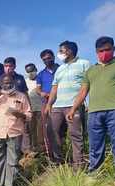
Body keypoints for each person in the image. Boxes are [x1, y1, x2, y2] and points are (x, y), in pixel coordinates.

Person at [66, 36, 115, 186]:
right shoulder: (91, 70)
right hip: (94, 113)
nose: (104, 53)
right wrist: (73, 109)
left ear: (113, 49)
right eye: (101, 51)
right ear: (96, 52)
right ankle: (94, 174)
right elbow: (83, 92)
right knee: (95, 145)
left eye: (107, 50)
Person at [45, 41, 90, 169]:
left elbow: (86, 86)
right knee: (53, 134)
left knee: (75, 135)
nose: (59, 53)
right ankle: (59, 162)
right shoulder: (60, 68)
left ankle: (78, 166)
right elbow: (54, 88)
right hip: (57, 107)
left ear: (69, 51)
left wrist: (79, 105)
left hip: (73, 106)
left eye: (61, 51)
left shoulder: (84, 64)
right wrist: (49, 105)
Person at [36, 49, 60, 158]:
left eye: (48, 58)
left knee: (61, 129)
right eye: (44, 59)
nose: (47, 60)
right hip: (46, 103)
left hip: (61, 102)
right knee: (48, 129)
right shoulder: (41, 74)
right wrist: (41, 93)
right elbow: (38, 89)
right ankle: (51, 155)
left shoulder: (61, 69)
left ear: (53, 57)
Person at [24, 63, 44, 152]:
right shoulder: (25, 81)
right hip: (30, 110)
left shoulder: (41, 80)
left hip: (40, 109)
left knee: (41, 131)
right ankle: (32, 149)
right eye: (28, 71)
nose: (30, 73)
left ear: (36, 70)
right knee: (30, 130)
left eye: (32, 71)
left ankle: (42, 150)